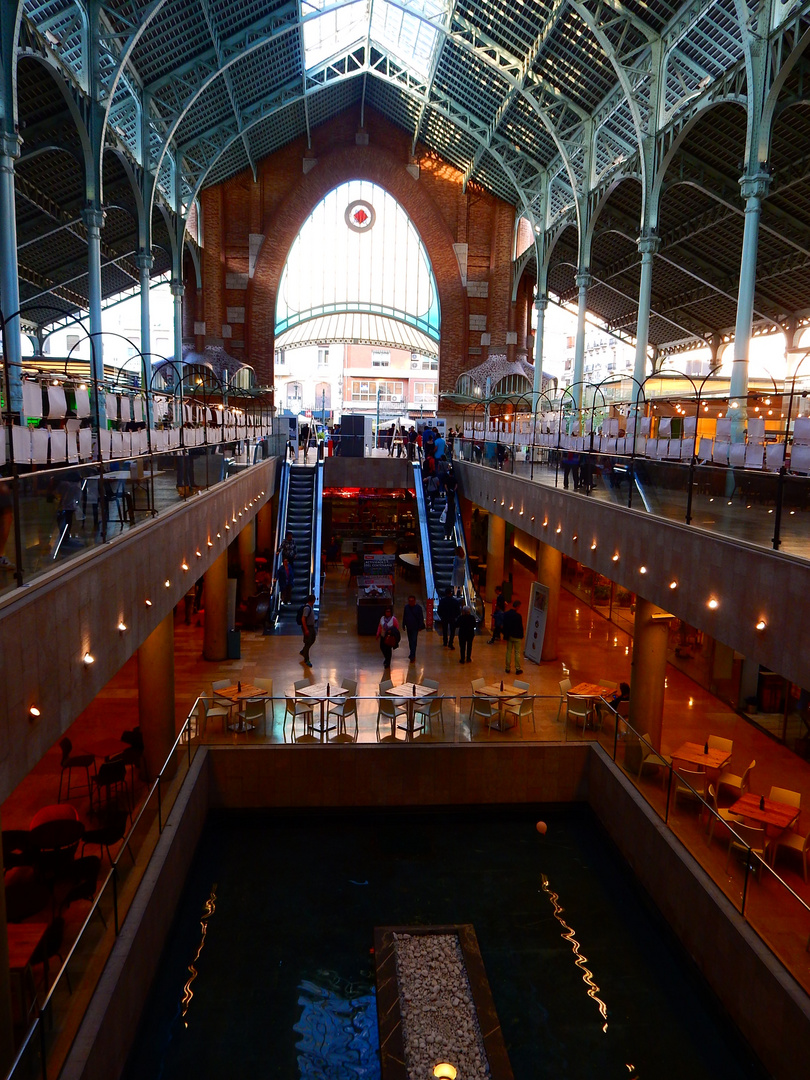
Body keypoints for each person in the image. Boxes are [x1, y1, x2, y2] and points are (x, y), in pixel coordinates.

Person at [503, 599, 524, 675]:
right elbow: (520, 627)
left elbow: (504, 625)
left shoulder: (507, 614)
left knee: (508, 651)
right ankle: (517, 669)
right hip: (517, 636)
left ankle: (507, 668)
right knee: (517, 652)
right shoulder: (518, 616)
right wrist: (521, 636)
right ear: (518, 607)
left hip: (509, 636)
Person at [402, 594, 425, 662]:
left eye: (412, 601)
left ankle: (412, 655)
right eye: (409, 601)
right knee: (410, 641)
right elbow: (404, 616)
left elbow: (421, 617)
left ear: (414, 601)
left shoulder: (418, 608)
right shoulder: (406, 607)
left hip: (415, 627)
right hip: (409, 626)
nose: (411, 602)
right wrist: (403, 625)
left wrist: (420, 626)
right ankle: (412, 653)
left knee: (414, 640)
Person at [376, 605, 400, 669]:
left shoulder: (393, 619)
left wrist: (391, 631)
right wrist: (378, 634)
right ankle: (386, 658)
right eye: (387, 611)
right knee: (382, 647)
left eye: (389, 611)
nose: (388, 613)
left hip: (389, 637)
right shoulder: (382, 618)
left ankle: (388, 662)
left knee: (388, 650)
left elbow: (396, 628)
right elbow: (380, 626)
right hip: (383, 636)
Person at [300, 592, 317, 667]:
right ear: (312, 600)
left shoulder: (310, 607)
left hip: (311, 627)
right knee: (308, 642)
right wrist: (306, 629)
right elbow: (303, 619)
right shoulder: (307, 608)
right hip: (308, 627)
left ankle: (303, 651)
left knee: (312, 639)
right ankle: (306, 659)